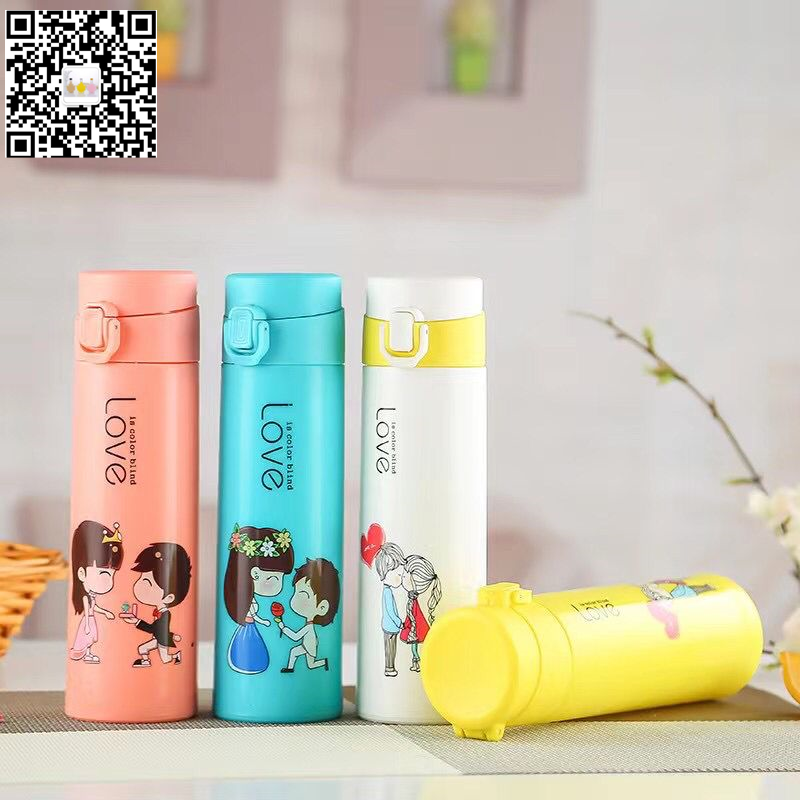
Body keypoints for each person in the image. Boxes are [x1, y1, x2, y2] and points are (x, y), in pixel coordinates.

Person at [222, 525, 294, 675]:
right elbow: (254, 616)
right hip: (249, 627)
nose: (280, 586)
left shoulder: (247, 601)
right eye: (275, 578)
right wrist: (264, 621)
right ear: (255, 574)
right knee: (248, 645)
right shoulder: (246, 603)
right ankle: (245, 666)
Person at [123, 542, 191, 667]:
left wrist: (137, 622)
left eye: (147, 582)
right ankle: (145, 661)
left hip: (162, 640)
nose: (138, 586)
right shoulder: (159, 612)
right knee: (142, 649)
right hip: (158, 638)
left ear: (169, 598)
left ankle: (175, 656)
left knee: (165, 659)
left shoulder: (165, 614)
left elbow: (155, 629)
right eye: (141, 579)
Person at [68, 520, 123, 663]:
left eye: (111, 575)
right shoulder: (85, 597)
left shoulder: (91, 597)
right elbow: (88, 611)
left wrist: (106, 612)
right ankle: (87, 654)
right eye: (103, 574)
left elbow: (95, 607)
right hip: (88, 620)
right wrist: (86, 624)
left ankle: (88, 653)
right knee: (87, 637)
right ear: (82, 574)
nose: (109, 583)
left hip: (92, 620)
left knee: (92, 638)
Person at [278, 558, 340, 673]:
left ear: (322, 608)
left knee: (310, 664)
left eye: (302, 595)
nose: (294, 600)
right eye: (295, 593)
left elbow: (296, 637)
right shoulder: (309, 627)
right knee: (297, 655)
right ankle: (290, 668)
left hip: (309, 645)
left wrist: (283, 628)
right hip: (308, 644)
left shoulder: (308, 627)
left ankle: (324, 662)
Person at [400, 554, 442, 672]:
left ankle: (418, 663)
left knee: (414, 649)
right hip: (413, 629)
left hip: (414, 630)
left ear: (413, 582)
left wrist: (407, 626)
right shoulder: (412, 599)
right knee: (414, 649)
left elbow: (412, 616)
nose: (401, 577)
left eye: (404, 576)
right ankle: (417, 664)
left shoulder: (413, 601)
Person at [373, 542, 406, 677]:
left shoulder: (388, 591)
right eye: (397, 573)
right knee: (390, 648)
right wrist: (399, 623)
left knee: (391, 647)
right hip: (390, 626)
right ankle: (389, 668)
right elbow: (391, 611)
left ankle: (390, 667)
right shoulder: (387, 592)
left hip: (391, 626)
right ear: (385, 573)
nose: (400, 576)